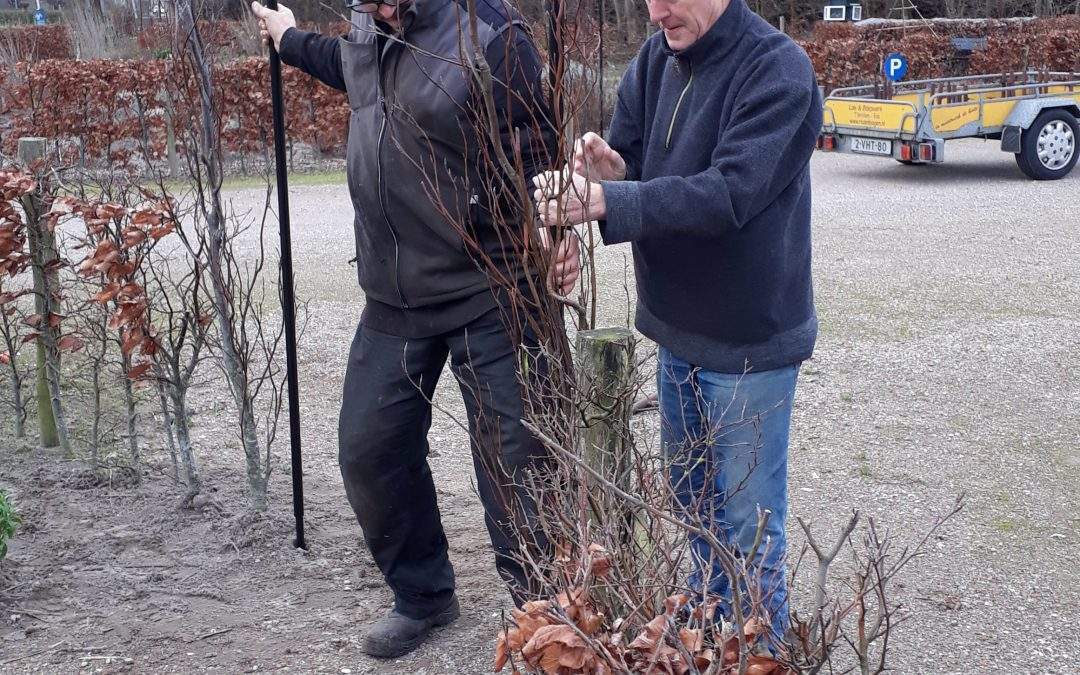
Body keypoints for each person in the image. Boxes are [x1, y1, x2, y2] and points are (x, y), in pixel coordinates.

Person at [251, 0, 579, 658]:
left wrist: (557, 227)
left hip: (494, 284)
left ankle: (545, 617)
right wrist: (287, 39)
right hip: (394, 293)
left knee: (521, 464)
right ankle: (424, 593)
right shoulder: (370, 29)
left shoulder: (492, 35)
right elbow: (351, 68)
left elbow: (541, 150)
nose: (379, 7)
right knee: (369, 450)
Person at [532, 0, 822, 647]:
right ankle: (717, 644)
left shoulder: (779, 71)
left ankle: (759, 655)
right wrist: (613, 171)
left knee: (747, 534)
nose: (655, 10)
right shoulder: (653, 60)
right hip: (674, 333)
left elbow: (729, 194)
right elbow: (634, 165)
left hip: (749, 345)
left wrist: (609, 198)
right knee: (695, 512)